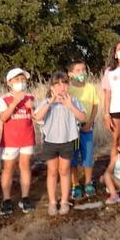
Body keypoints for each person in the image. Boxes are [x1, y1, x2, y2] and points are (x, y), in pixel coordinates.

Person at [34, 72, 87, 216]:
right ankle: (52, 202)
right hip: (50, 142)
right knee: (52, 172)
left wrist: (70, 106)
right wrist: (50, 102)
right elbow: (37, 117)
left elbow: (83, 117)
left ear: (68, 85)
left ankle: (64, 200)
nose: (61, 87)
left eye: (64, 83)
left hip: (67, 141)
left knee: (64, 171)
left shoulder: (73, 100)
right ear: (52, 87)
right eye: (57, 84)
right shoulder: (46, 102)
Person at [0, 67, 36, 215]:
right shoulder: (4, 99)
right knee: (8, 168)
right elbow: (3, 117)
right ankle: (6, 199)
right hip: (10, 140)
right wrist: (15, 102)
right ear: (9, 83)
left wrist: (32, 108)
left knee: (25, 166)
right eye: (17, 80)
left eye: (23, 80)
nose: (21, 82)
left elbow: (36, 118)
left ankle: (25, 197)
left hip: (27, 138)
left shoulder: (30, 97)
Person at [67, 60, 99, 200]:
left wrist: (90, 123)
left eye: (83, 69)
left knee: (88, 155)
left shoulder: (91, 87)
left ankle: (88, 182)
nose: (82, 73)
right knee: (73, 156)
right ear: (71, 74)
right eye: (78, 70)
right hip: (73, 131)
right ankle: (75, 184)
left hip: (87, 128)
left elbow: (95, 106)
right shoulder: (68, 89)